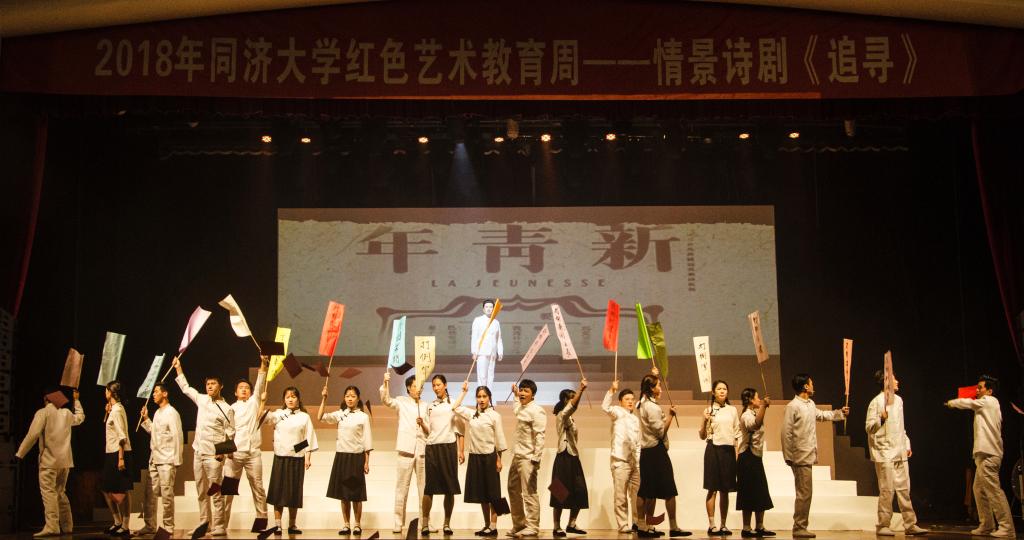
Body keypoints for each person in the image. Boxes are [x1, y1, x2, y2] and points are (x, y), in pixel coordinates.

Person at [946, 375, 1016, 538]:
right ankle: (987, 525)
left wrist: (953, 402)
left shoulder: (989, 401)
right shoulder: (986, 405)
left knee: (993, 490)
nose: (977, 390)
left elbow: (970, 403)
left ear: (989, 391)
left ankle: (1007, 527)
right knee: (978, 489)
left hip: (989, 453)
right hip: (985, 454)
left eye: (980, 388)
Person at [173, 356, 235, 537]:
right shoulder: (202, 399)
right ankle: (204, 523)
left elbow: (231, 433)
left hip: (214, 456)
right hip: (199, 452)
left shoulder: (227, 408)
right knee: (201, 491)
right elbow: (186, 388)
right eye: (208, 384)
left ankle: (219, 525)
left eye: (213, 384)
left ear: (220, 386)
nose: (209, 386)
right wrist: (178, 368)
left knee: (215, 491)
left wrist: (223, 454)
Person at [781, 373, 848, 538]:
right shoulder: (792, 406)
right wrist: (788, 456)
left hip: (808, 453)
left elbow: (822, 415)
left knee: (806, 493)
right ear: (805, 386)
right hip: (799, 456)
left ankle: (800, 526)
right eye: (811, 383)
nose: (813, 386)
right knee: (804, 493)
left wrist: (840, 413)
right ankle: (799, 527)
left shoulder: (810, 404)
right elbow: (786, 433)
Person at [15, 387, 84, 537]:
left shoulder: (43, 413)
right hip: (65, 461)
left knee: (49, 493)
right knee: (60, 493)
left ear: (46, 399)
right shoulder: (66, 413)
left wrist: (20, 453)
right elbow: (80, 417)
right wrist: (77, 400)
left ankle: (52, 526)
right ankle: (67, 526)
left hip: (49, 461)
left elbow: (32, 435)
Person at [865, 371, 927, 536]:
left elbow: (900, 426)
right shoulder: (876, 402)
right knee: (887, 490)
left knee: (904, 490)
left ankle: (910, 524)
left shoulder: (899, 400)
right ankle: (883, 525)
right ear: (886, 382)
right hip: (884, 452)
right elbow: (869, 427)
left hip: (899, 451)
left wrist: (906, 443)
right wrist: (881, 419)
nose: (898, 381)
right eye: (894, 379)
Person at [636, 368, 689, 538]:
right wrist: (671, 416)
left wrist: (654, 375)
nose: (660, 387)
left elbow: (645, 394)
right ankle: (669, 527)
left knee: (648, 490)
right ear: (652, 389)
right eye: (658, 385)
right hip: (655, 451)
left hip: (649, 451)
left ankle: (647, 526)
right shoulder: (651, 407)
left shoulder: (642, 403)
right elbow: (660, 432)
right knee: (664, 490)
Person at [417, 375, 469, 536]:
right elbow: (429, 431)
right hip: (432, 447)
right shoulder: (430, 406)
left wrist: (461, 451)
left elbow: (461, 430)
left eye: (438, 384)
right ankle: (425, 523)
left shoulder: (454, 404)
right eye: (433, 385)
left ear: (445, 385)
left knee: (449, 487)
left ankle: (447, 523)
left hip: (448, 447)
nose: (436, 388)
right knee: (429, 487)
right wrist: (422, 423)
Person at [380, 371, 429, 534]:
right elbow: (386, 400)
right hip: (406, 449)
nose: (418, 389)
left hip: (422, 449)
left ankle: (425, 522)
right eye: (415, 386)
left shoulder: (426, 405)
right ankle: (398, 522)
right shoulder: (401, 401)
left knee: (424, 489)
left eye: (420, 387)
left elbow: (430, 429)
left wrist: (423, 425)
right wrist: (385, 383)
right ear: (408, 388)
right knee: (402, 489)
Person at [319, 385, 372, 536]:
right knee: (344, 495)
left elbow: (367, 440)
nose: (350, 399)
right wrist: (324, 399)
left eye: (353, 396)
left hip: (356, 457)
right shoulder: (340, 414)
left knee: (356, 494)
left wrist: (366, 461)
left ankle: (357, 524)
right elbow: (320, 417)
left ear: (358, 398)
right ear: (344, 398)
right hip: (342, 457)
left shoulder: (363, 417)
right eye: (347, 396)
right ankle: (346, 524)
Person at [224, 356, 270, 529]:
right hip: (234, 454)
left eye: (247, 388)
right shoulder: (231, 408)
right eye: (241, 388)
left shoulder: (253, 402)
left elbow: (260, 382)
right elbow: (227, 431)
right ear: (235, 392)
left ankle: (261, 523)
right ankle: (221, 524)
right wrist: (227, 450)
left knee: (258, 488)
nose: (244, 390)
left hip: (253, 454)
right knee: (228, 490)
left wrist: (263, 364)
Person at [454, 385, 506, 537]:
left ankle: (494, 526)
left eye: (484, 396)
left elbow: (500, 438)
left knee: (494, 493)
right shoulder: (472, 414)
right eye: (479, 396)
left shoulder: (495, 416)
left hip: (490, 457)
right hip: (475, 457)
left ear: (489, 398)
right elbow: (455, 407)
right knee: (482, 494)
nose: (481, 399)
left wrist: (499, 459)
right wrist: (463, 392)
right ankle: (487, 525)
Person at [265, 386, 318, 535]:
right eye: (287, 397)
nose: (290, 399)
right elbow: (263, 418)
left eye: (293, 397)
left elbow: (308, 438)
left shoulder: (304, 417)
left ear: (298, 399)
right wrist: (262, 401)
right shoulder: (278, 414)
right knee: (278, 492)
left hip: (297, 459)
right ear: (284, 399)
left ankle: (292, 524)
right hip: (280, 457)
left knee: (294, 492)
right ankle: (277, 525)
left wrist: (307, 457)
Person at [139, 382, 183, 536]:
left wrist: (177, 460)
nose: (153, 394)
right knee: (149, 494)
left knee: (166, 495)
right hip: (154, 458)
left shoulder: (172, 413)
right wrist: (146, 418)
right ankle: (149, 525)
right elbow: (154, 432)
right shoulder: (157, 412)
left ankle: (168, 526)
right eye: (153, 392)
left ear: (165, 393)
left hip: (167, 460)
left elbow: (177, 436)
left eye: (156, 391)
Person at [699, 380, 739, 536]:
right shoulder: (708, 410)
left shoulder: (732, 410)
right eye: (719, 389)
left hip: (728, 451)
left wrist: (736, 454)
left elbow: (736, 434)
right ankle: (712, 525)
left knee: (725, 490)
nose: (722, 391)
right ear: (713, 392)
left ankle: (723, 524)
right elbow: (702, 435)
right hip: (713, 449)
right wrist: (704, 419)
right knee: (712, 489)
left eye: (724, 389)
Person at [550, 378, 589, 537]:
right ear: (566, 400)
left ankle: (572, 523)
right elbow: (571, 407)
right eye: (572, 398)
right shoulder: (562, 415)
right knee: (559, 492)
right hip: (563, 457)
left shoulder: (571, 418)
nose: (576, 400)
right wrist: (581, 389)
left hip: (573, 457)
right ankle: (556, 526)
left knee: (580, 490)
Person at [601, 380, 641, 534]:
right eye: (627, 399)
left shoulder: (635, 419)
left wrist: (638, 461)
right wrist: (612, 390)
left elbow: (638, 442)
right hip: (620, 461)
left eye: (632, 399)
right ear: (621, 401)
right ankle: (623, 524)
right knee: (620, 496)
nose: (630, 402)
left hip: (634, 463)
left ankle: (637, 523)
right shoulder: (617, 412)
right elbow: (605, 407)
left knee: (637, 496)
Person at [508, 379, 546, 538]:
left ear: (533, 395)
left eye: (526, 391)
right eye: (521, 390)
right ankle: (519, 524)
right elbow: (516, 409)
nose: (522, 393)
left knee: (529, 492)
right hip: (517, 455)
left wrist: (536, 458)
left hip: (529, 458)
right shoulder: (522, 407)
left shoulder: (537, 411)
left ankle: (533, 526)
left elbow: (540, 435)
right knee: (512, 489)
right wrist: (515, 394)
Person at [736, 388, 774, 538]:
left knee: (760, 490)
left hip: (756, 457)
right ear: (751, 400)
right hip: (747, 457)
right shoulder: (746, 415)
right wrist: (764, 406)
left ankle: (760, 526)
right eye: (757, 398)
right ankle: (746, 527)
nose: (759, 400)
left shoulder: (753, 413)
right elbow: (755, 425)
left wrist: (763, 407)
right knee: (748, 491)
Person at [101, 380, 134, 537]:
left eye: (106, 390)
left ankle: (125, 525)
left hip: (119, 453)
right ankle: (117, 521)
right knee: (106, 489)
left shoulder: (118, 410)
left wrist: (121, 458)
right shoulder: (113, 409)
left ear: (111, 393)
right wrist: (108, 412)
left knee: (123, 490)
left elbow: (122, 436)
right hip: (111, 452)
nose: (105, 393)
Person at [470, 299, 503, 390]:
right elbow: (474, 337)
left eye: (491, 307)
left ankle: (489, 395)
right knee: (482, 375)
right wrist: (474, 351)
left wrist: (500, 351)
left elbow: (498, 338)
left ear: (494, 309)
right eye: (486, 307)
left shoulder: (496, 322)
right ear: (483, 309)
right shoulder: (478, 320)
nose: (489, 309)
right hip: (481, 352)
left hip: (492, 352)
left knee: (490, 375)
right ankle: (481, 394)